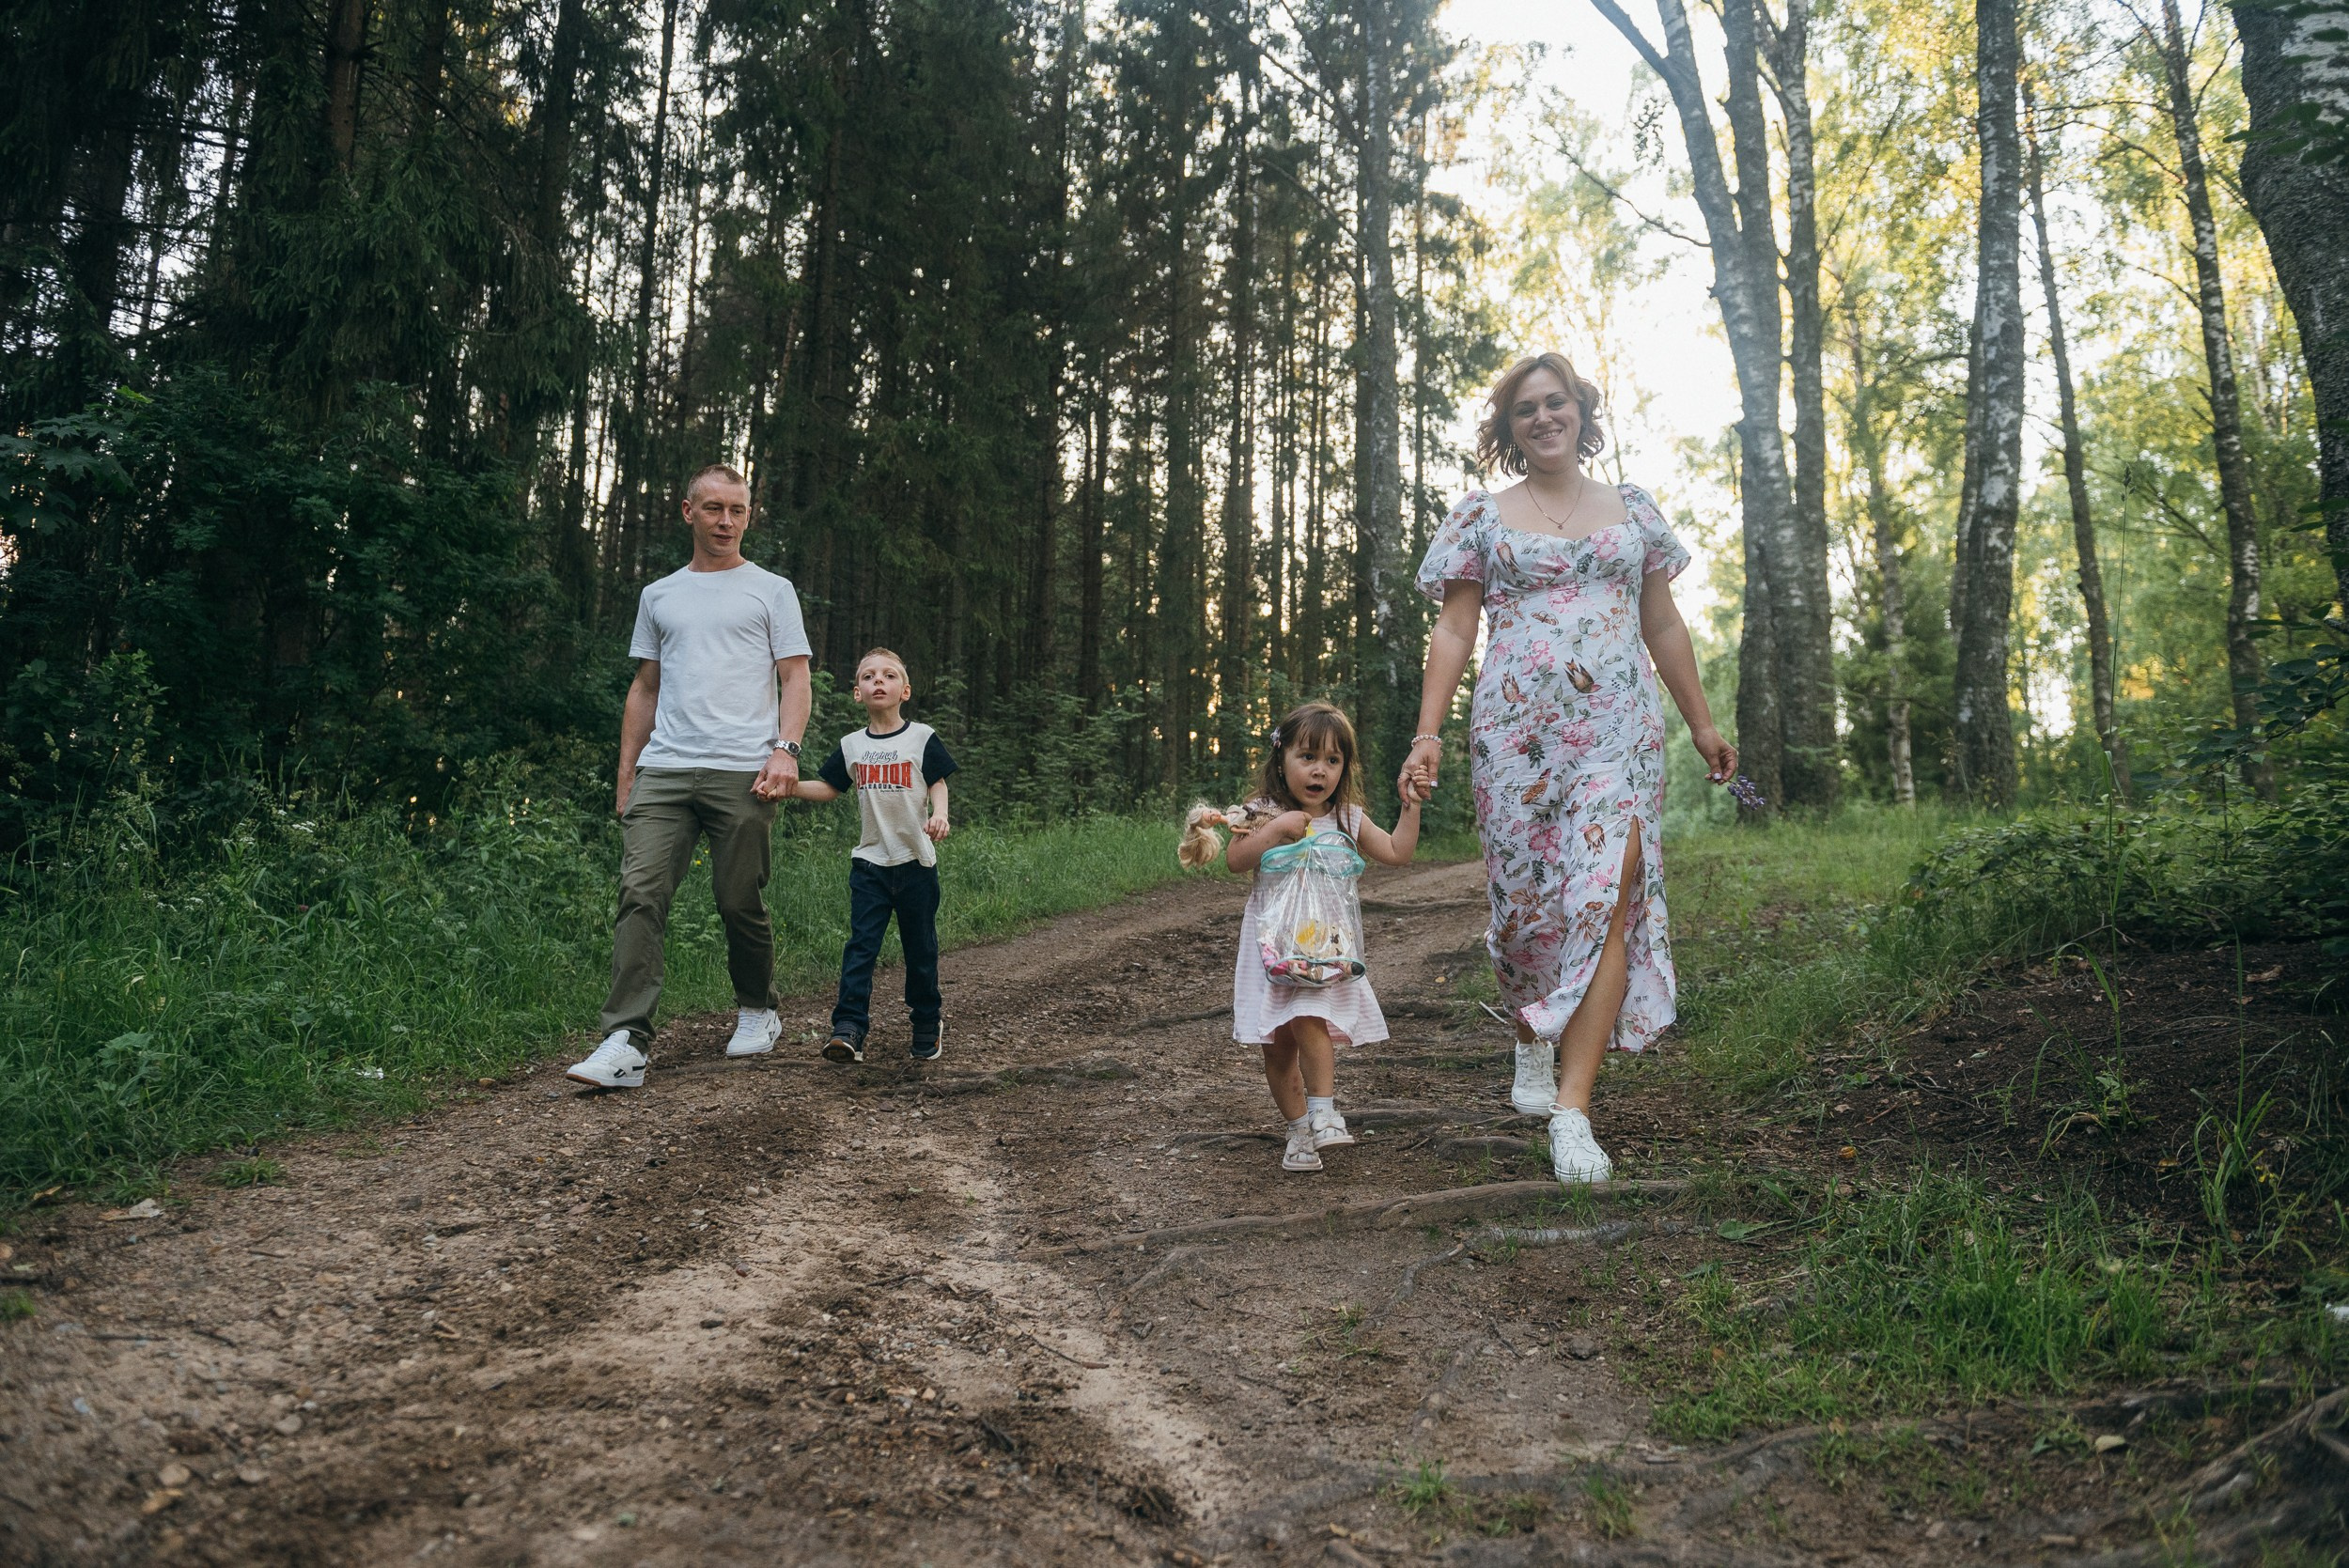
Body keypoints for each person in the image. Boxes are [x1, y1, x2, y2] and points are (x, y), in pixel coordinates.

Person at [1398, 352, 1737, 1183]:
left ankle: (1573, 1112)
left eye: (1557, 403)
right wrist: (1426, 733)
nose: (1544, 418)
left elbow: (1662, 624)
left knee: (1605, 900)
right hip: (1515, 740)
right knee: (1526, 914)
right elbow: (1452, 630)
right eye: (1525, 410)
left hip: (1619, 737)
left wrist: (1699, 722)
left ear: (1583, 411)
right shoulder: (1483, 515)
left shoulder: (1632, 510)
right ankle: (1527, 1032)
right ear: (1509, 430)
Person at [566, 464, 813, 1090]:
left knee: (738, 901)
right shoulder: (660, 595)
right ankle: (626, 1040)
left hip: (745, 769)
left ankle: (759, 1009)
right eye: (713, 509)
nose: (725, 521)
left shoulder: (772, 589)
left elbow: (795, 678)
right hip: (666, 768)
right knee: (641, 892)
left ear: (748, 515)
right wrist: (627, 777)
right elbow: (645, 688)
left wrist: (785, 750)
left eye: (737, 510)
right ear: (688, 511)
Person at [1178, 701, 1422, 1173]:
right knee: (1277, 1047)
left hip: (1323, 945)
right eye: (1307, 757)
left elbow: (1397, 851)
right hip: (1272, 943)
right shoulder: (1262, 811)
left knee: (1310, 1015)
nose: (1320, 771)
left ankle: (1324, 1111)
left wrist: (1409, 806)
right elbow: (1236, 861)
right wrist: (1276, 831)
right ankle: (1298, 1131)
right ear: (1281, 758)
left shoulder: (1348, 818)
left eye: (1333, 761)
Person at [789, 648, 957, 1063]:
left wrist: (940, 815)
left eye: (888, 676)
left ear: (905, 691)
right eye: (868, 676)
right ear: (857, 694)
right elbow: (829, 787)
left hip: (916, 863)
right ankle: (848, 1028)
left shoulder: (921, 737)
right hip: (870, 864)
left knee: (920, 949)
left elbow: (937, 782)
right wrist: (787, 786)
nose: (878, 681)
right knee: (861, 946)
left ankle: (925, 1021)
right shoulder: (852, 746)